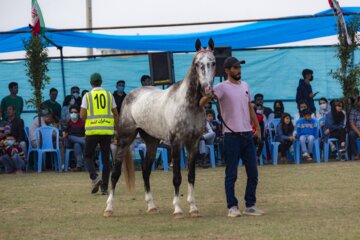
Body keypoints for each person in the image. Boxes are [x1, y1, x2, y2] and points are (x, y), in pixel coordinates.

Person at [200, 56, 264, 217]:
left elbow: (250, 108)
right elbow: (201, 103)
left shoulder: (245, 86)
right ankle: (232, 207)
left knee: (253, 173)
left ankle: (250, 205)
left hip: (247, 135)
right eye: (235, 68)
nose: (238, 70)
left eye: (239, 67)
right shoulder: (221, 87)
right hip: (231, 137)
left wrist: (257, 127)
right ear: (227, 70)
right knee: (231, 174)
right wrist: (208, 95)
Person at [80, 73, 119, 195]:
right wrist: (116, 129)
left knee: (87, 156)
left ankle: (95, 177)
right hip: (107, 131)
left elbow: (82, 115)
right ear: (101, 82)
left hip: (92, 131)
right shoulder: (109, 95)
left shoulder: (87, 96)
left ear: (91, 83)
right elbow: (116, 114)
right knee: (106, 159)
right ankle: (105, 188)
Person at [62, 105, 86, 171]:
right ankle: (85, 143)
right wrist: (65, 134)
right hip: (69, 142)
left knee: (77, 144)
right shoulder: (68, 122)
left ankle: (79, 166)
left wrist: (83, 138)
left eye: (75, 112)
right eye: (71, 112)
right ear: (69, 113)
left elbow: (86, 134)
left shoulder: (82, 122)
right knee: (70, 137)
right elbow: (64, 135)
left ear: (78, 113)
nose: (73, 114)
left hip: (79, 143)